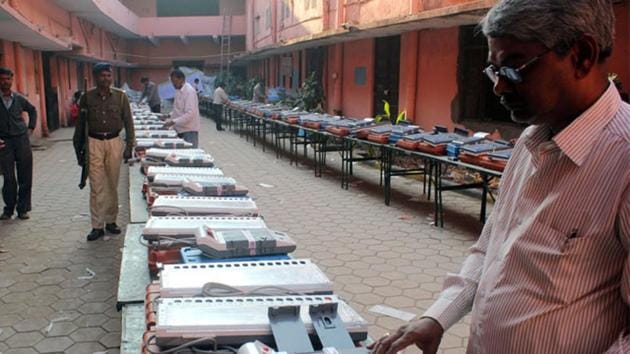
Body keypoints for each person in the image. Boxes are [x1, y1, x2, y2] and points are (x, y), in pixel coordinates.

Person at [371, 1, 629, 353]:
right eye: (494, 72)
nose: (499, 89)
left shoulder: (624, 159)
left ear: (582, 55)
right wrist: (438, 317)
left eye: (514, 68)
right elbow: (491, 248)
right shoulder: (531, 139)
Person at [73, 62, 135, 241]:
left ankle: (111, 221)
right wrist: (79, 152)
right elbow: (80, 126)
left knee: (111, 184)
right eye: (102, 75)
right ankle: (97, 226)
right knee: (96, 186)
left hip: (114, 142)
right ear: (96, 77)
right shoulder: (87, 97)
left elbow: (129, 123)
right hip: (94, 143)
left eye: (109, 75)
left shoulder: (121, 97)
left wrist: (129, 146)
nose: (106, 78)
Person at [0, 67, 36, 220]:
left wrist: (30, 129)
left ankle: (23, 209)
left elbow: (32, 110)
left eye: (7, 79)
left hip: (21, 140)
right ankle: (8, 209)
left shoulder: (19, 98)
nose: (5, 82)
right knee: (8, 178)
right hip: (4, 143)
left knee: (25, 175)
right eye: (2, 79)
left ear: (12, 80)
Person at [164, 69, 200, 147]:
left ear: (182, 79)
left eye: (175, 81)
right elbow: (178, 109)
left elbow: (190, 114)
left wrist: (173, 122)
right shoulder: (178, 90)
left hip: (189, 129)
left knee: (190, 153)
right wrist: (168, 115)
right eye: (172, 82)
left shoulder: (189, 91)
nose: (173, 84)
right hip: (179, 128)